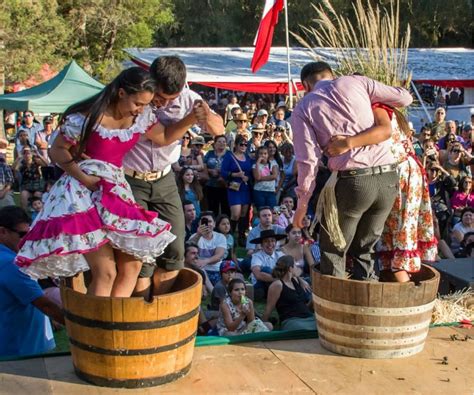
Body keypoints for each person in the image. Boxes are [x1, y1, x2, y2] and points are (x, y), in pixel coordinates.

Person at [15, 67, 197, 297]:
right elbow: (57, 151)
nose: (141, 110)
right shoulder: (86, 118)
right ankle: (94, 331)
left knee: (132, 266)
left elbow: (165, 137)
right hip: (82, 194)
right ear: (121, 93)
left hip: (115, 191)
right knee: (106, 272)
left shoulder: (141, 117)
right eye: (138, 103)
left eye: (145, 104)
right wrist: (85, 178)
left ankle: (114, 328)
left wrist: (192, 118)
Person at [292, 61, 413, 280]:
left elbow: (308, 161)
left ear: (305, 86)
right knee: (365, 249)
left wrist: (302, 205)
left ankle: (337, 311)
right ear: (332, 75)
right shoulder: (356, 82)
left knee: (334, 249)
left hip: (354, 182)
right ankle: (369, 308)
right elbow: (405, 98)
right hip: (388, 178)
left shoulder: (303, 107)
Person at [123, 56, 224, 298]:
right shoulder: (137, 99)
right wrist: (191, 119)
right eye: (160, 96)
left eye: (172, 99)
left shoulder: (189, 100)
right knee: (141, 250)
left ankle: (157, 306)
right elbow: (164, 137)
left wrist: (206, 115)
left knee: (175, 248)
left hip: (165, 178)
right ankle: (139, 310)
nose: (163, 102)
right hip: (130, 179)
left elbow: (218, 129)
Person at [327, 103, 437, 282]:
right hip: (407, 170)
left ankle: (407, 295)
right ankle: (398, 277)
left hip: (398, 172)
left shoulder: (375, 109)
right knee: (396, 229)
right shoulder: (391, 110)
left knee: (397, 233)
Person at [0, 206, 64, 357]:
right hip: (21, 350)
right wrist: (81, 330)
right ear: (2, 232)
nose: (27, 240)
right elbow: (45, 304)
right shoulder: (10, 264)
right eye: (22, 234)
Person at [263, 256, 316, 331]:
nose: (297, 268)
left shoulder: (296, 281)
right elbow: (269, 308)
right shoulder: (277, 285)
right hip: (292, 320)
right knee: (300, 328)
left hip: (308, 318)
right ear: (290, 269)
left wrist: (312, 300)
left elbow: (303, 307)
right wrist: (261, 325)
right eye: (295, 265)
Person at [221, 134, 253, 246]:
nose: (244, 146)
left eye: (246, 144)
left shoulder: (248, 158)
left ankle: (241, 236)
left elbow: (250, 171)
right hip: (234, 188)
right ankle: (229, 235)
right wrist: (236, 174)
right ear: (236, 145)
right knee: (235, 214)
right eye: (241, 144)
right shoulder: (229, 157)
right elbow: (223, 172)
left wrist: (248, 177)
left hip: (245, 187)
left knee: (244, 213)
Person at [188, 211, 227, 285]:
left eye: (210, 221)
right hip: (199, 269)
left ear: (214, 224)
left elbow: (219, 256)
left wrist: (205, 261)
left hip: (216, 270)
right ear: (199, 224)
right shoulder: (194, 237)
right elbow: (187, 249)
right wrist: (198, 235)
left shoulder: (220, 237)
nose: (207, 224)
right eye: (204, 222)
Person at [249, 229, 286, 300]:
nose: (270, 244)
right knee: (266, 269)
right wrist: (280, 280)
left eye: (272, 241)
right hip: (261, 284)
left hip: (277, 282)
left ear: (276, 243)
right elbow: (258, 275)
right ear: (261, 245)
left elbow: (289, 270)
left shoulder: (280, 255)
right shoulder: (257, 256)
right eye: (266, 241)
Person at [203, 134, 230, 216]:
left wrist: (221, 172)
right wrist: (209, 170)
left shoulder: (230, 154)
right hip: (211, 185)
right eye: (219, 141)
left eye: (224, 142)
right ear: (215, 143)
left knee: (226, 209)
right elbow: (203, 166)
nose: (222, 143)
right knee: (212, 208)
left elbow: (233, 168)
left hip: (225, 185)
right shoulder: (209, 153)